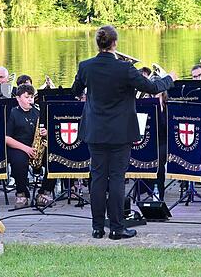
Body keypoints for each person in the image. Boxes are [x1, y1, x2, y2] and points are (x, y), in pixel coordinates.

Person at [71, 25, 176, 240]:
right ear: (115, 43)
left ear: (97, 43)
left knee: (98, 178)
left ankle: (97, 228)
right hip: (120, 132)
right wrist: (169, 78)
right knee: (117, 178)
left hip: (95, 131)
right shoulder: (125, 69)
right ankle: (117, 229)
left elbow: (74, 91)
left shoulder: (85, 67)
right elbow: (153, 88)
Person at [6, 84, 56, 206]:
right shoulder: (12, 113)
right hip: (19, 147)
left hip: (37, 147)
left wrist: (46, 132)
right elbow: (6, 138)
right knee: (19, 161)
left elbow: (49, 130)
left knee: (55, 159)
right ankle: (22, 194)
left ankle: (44, 192)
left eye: (32, 97)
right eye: (27, 97)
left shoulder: (38, 112)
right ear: (18, 98)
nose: (30, 100)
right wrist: (26, 149)